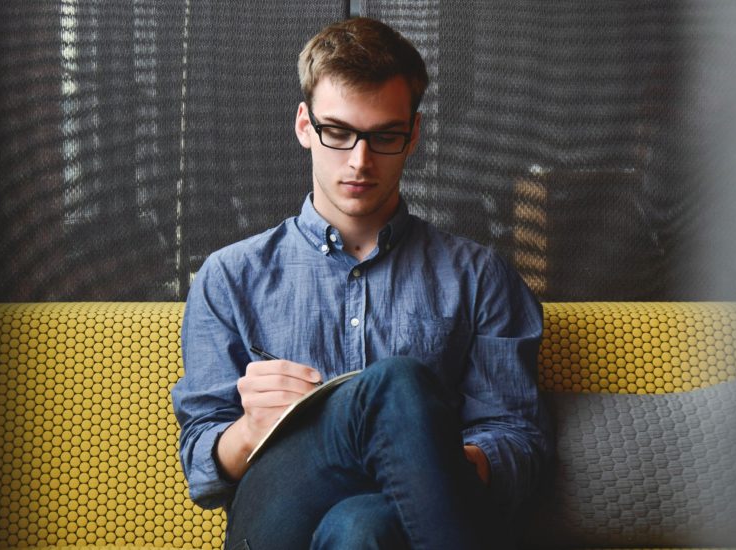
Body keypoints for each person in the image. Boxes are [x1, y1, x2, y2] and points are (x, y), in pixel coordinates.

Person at [172, 17, 550, 550]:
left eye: (384, 136)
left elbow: (520, 447)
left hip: (396, 526)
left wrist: (421, 457)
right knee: (396, 386)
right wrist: (249, 430)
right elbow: (201, 466)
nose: (360, 160)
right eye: (338, 132)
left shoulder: (480, 276)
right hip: (276, 523)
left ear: (413, 134)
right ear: (305, 125)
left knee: (362, 527)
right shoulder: (230, 276)